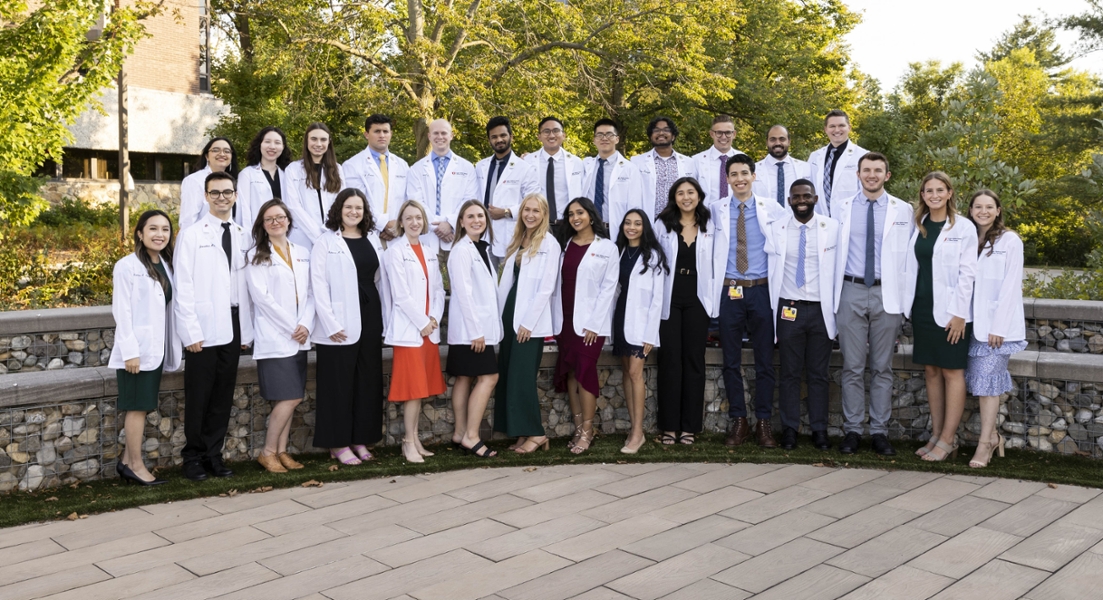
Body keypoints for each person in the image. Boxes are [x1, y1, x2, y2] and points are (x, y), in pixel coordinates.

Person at [174, 171, 254, 481]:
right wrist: (190, 332)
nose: (222, 197)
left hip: (233, 324)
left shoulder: (243, 234)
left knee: (222, 395)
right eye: (215, 192)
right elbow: (183, 286)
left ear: (235, 195)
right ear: (206, 196)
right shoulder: (192, 235)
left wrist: (246, 331)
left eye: (227, 192)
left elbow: (245, 286)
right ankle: (192, 457)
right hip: (203, 328)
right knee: (199, 396)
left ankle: (213, 455)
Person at [832, 152, 914, 456]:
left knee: (882, 368)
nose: (872, 175)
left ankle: (879, 431)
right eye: (867, 170)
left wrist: (906, 301)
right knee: (852, 366)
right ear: (858, 174)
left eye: (878, 170)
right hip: (850, 290)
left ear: (887, 176)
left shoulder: (903, 210)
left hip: (887, 294)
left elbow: (910, 258)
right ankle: (852, 430)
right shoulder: (840, 208)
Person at [711, 153, 785, 448]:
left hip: (761, 291)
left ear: (754, 176)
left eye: (744, 173)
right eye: (734, 175)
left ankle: (764, 422)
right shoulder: (716, 210)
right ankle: (739, 420)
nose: (739, 179)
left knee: (765, 360)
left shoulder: (774, 209)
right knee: (731, 361)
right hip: (730, 291)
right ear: (727, 179)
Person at [903, 172, 977, 462]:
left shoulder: (964, 227)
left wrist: (960, 314)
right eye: (928, 190)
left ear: (949, 193)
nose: (933, 194)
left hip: (951, 313)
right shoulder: (918, 226)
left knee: (952, 371)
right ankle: (936, 434)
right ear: (922, 195)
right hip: (922, 308)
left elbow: (968, 273)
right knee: (931, 371)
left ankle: (948, 440)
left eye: (939, 190)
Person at [310, 189, 387, 465]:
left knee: (367, 380)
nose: (354, 212)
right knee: (338, 383)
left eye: (359, 208)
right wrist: (330, 322)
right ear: (339, 209)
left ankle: (359, 438)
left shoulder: (373, 240)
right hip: (338, 321)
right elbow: (317, 284)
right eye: (349, 207)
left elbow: (380, 280)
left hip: (369, 314)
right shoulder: (325, 242)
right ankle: (338, 443)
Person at [765, 180, 838, 451]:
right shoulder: (777, 229)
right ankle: (789, 430)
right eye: (796, 197)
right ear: (789, 200)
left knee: (819, 374)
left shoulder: (832, 228)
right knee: (790, 373)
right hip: (789, 308)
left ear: (816, 198)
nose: (801, 200)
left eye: (806, 196)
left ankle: (820, 430)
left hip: (821, 308)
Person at [110, 210, 181, 485]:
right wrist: (130, 351)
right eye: (153, 228)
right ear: (140, 233)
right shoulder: (127, 266)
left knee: (143, 405)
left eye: (165, 229)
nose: (159, 234)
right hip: (136, 352)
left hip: (156, 348)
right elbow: (122, 311)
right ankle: (137, 467)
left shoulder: (166, 263)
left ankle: (127, 462)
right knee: (137, 408)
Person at [246, 199, 315, 473]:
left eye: (280, 217)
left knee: (292, 395)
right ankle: (268, 451)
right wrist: (293, 327)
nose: (276, 222)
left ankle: (282, 451)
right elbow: (262, 300)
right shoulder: (256, 255)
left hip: (300, 335)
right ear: (262, 226)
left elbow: (310, 292)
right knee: (289, 398)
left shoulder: (302, 252)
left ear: (288, 220)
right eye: (269, 219)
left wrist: (306, 324)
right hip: (276, 338)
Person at [494, 193, 561, 453]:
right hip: (510, 313)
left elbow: (546, 288)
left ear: (544, 214)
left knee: (522, 377)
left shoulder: (550, 244)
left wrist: (528, 323)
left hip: (528, 321)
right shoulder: (520, 239)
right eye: (526, 210)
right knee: (510, 375)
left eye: (536, 211)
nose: (530, 215)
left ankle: (536, 433)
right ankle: (521, 433)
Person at [552, 197, 619, 454]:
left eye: (580, 212)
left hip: (592, 324)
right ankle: (578, 426)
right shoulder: (565, 244)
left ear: (591, 216)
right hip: (566, 321)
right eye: (570, 214)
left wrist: (594, 323)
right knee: (570, 372)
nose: (575, 218)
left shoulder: (607, 248)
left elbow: (608, 288)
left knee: (585, 371)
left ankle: (588, 431)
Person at [655, 177, 718, 445]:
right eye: (680, 193)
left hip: (698, 298)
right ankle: (670, 426)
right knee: (670, 360)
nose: (686, 197)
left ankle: (690, 427)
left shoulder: (710, 224)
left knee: (694, 360)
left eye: (690, 192)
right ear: (674, 197)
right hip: (670, 297)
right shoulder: (662, 224)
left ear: (699, 196)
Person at [965, 189, 1024, 468]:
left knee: (988, 385)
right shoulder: (966, 237)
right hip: (968, 324)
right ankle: (993, 436)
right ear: (971, 210)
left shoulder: (1009, 240)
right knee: (976, 382)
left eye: (989, 207)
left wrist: (999, 326)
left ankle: (986, 443)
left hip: (995, 329)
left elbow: (1011, 287)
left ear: (998, 210)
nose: (984, 211)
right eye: (978, 206)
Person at [384, 200, 447, 463]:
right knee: (412, 390)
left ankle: (416, 438)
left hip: (427, 330)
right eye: (408, 218)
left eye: (418, 218)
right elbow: (401, 295)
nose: (414, 223)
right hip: (410, 332)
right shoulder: (394, 251)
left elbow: (439, 290)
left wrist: (434, 318)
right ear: (401, 222)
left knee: (421, 389)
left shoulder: (430, 249)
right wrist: (422, 322)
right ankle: (407, 442)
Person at [446, 200, 503, 458]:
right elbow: (464, 293)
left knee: (464, 378)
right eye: (470, 216)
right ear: (461, 221)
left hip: (473, 329)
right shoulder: (461, 250)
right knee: (489, 377)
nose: (477, 220)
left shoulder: (481, 248)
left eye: (481, 215)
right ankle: (471, 435)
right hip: (473, 331)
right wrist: (475, 331)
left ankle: (459, 433)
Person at [612, 209, 667, 453]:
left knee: (635, 373)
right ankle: (634, 428)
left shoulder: (653, 256)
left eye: (637, 223)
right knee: (626, 371)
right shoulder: (618, 251)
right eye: (627, 223)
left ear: (644, 227)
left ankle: (637, 432)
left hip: (640, 324)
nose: (631, 227)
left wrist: (649, 335)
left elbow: (658, 299)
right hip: (621, 317)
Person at [405, 119, 479, 252]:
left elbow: (470, 200)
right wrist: (437, 227)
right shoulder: (416, 168)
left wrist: (450, 224)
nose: (440, 137)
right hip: (428, 235)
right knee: (427, 272)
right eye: (436, 133)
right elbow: (416, 201)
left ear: (451, 135)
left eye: (444, 133)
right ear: (429, 136)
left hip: (456, 234)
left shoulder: (466, 167)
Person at [476, 116, 539, 265]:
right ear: (489, 140)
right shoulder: (480, 166)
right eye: (494, 137)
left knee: (509, 282)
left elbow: (534, 201)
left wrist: (506, 211)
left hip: (510, 233)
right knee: (485, 281)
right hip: (483, 232)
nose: (499, 140)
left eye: (503, 135)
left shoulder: (525, 168)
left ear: (511, 137)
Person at [342, 114, 409, 240]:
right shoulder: (352, 165)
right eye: (377, 131)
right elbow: (356, 202)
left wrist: (398, 225)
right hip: (367, 231)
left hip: (398, 234)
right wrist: (384, 224)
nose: (382, 135)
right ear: (366, 134)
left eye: (385, 131)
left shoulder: (402, 165)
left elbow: (407, 199)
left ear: (391, 134)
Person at [285, 122, 345, 250]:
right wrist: (318, 236)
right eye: (314, 139)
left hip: (333, 235)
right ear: (306, 141)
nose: (318, 144)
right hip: (302, 237)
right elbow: (293, 206)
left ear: (329, 142)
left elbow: (342, 203)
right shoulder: (293, 169)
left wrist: (328, 231)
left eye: (323, 139)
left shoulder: (338, 169)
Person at [630, 116, 697, 220]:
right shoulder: (636, 162)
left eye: (666, 130)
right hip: (648, 222)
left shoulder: (689, 162)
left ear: (673, 136)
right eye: (656, 130)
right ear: (651, 136)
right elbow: (632, 196)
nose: (661, 133)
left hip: (678, 221)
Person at [524, 116, 584, 231]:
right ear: (539, 137)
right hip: (537, 226)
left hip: (567, 226)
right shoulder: (527, 162)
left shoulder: (577, 163)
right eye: (546, 131)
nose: (551, 135)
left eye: (556, 131)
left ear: (563, 135)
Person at [581, 119, 643, 231]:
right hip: (588, 229)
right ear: (594, 140)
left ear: (617, 139)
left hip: (614, 230)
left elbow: (635, 205)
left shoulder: (630, 169)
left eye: (609, 134)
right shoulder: (585, 165)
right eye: (599, 135)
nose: (604, 138)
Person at [808, 110, 867, 218]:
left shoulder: (863, 156)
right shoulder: (815, 157)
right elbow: (809, 189)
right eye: (832, 126)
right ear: (826, 129)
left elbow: (867, 193)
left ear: (849, 127)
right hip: (821, 221)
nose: (837, 130)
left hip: (852, 219)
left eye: (841, 125)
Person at [236, 127, 292, 233]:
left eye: (277, 142)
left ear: (283, 147)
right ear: (260, 145)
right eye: (267, 142)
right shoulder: (247, 174)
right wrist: (248, 236)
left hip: (284, 233)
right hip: (258, 233)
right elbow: (243, 210)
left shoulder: (288, 174)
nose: (272, 146)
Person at [179, 137, 240, 230]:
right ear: (207, 156)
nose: (222, 154)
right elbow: (188, 220)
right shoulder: (194, 180)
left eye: (227, 151)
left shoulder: (234, 181)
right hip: (202, 239)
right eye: (216, 150)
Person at [752, 125, 812, 208]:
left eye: (782, 139)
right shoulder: (753, 170)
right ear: (767, 142)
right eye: (773, 139)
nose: (777, 143)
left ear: (789, 141)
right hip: (765, 220)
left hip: (795, 219)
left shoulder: (806, 168)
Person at [692, 115, 745, 206]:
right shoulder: (696, 161)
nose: (723, 137)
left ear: (734, 134)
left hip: (736, 215)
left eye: (728, 132)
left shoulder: (744, 159)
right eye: (719, 133)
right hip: (706, 216)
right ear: (712, 134)